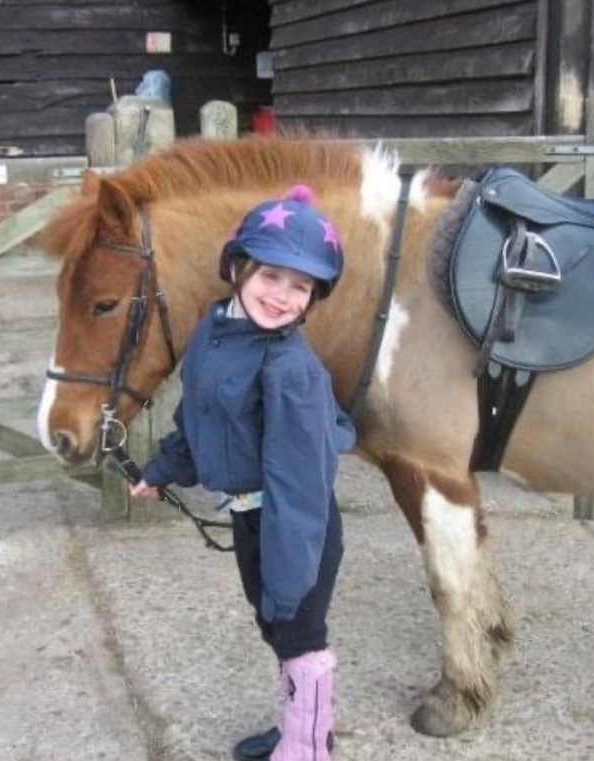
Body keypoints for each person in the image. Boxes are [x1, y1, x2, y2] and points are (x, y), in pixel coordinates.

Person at [130, 185, 355, 761]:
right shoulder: (214, 329)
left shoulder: (291, 370)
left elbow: (299, 487)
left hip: (293, 528)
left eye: (301, 286)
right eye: (271, 276)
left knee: (298, 633)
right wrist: (161, 469)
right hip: (254, 520)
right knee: (276, 631)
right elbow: (199, 417)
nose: (282, 297)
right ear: (238, 267)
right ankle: (299, 731)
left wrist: (287, 580)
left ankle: (308, 751)